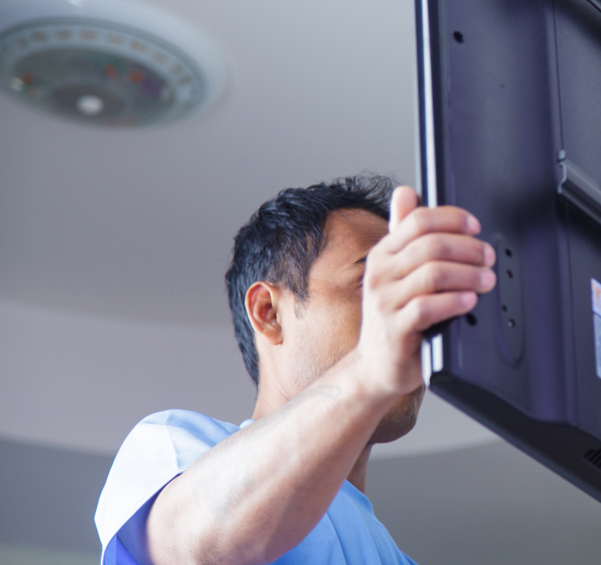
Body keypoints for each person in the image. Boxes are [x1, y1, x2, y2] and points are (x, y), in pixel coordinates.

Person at [94, 175, 496, 564]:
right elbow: (194, 547)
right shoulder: (170, 450)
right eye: (371, 283)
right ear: (268, 313)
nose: (410, 315)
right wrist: (371, 366)